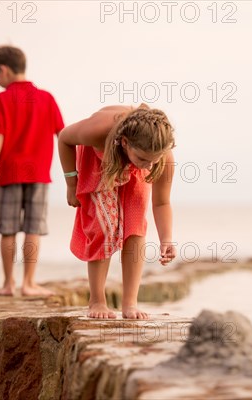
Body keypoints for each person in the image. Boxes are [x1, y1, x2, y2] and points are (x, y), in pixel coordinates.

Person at [58, 105, 176, 319]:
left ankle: (130, 303)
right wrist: (71, 183)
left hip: (130, 161)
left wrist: (166, 239)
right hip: (100, 160)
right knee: (105, 226)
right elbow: (64, 138)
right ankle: (97, 301)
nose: (148, 165)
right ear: (125, 143)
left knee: (135, 226)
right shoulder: (97, 130)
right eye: (143, 159)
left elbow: (161, 203)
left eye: (154, 161)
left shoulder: (159, 154)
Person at [0, 46, 64, 296]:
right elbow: (63, 134)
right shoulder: (47, 98)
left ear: (3, 70)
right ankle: (29, 283)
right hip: (39, 173)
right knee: (33, 228)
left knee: (8, 229)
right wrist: (75, 170)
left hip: (9, 173)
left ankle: (8, 284)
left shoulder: (2, 99)